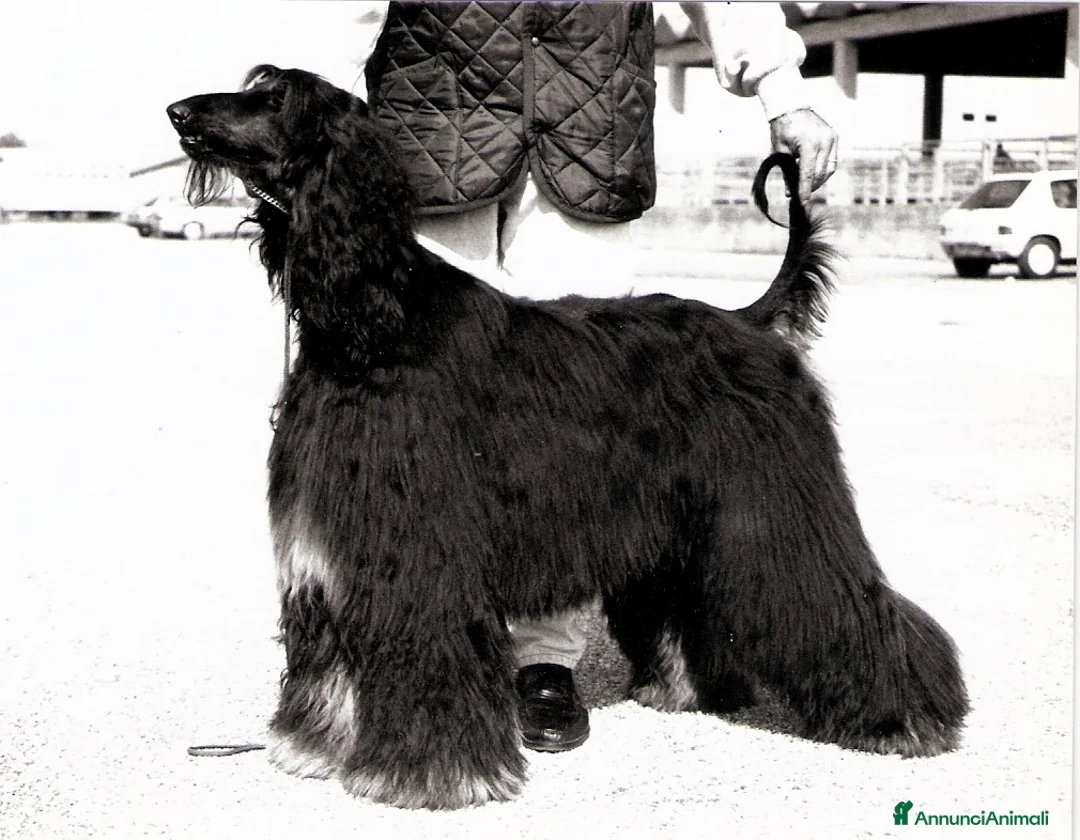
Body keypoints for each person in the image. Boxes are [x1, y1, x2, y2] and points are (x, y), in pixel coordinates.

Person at [362, 1, 838, 753]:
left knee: (572, 435)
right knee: (424, 428)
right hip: (432, 130)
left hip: (585, 135)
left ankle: (543, 661)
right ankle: (430, 646)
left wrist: (783, 89)